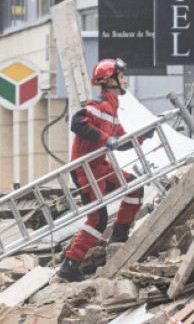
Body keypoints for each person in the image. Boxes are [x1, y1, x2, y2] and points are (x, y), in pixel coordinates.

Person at [56, 58, 146, 283]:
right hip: (85, 168)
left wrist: (145, 135)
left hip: (100, 166)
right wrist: (107, 139)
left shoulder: (112, 107)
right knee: (97, 218)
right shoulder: (97, 105)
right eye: (121, 76)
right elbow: (78, 123)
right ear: (109, 80)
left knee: (134, 186)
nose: (125, 80)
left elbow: (121, 141)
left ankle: (118, 239)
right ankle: (69, 266)